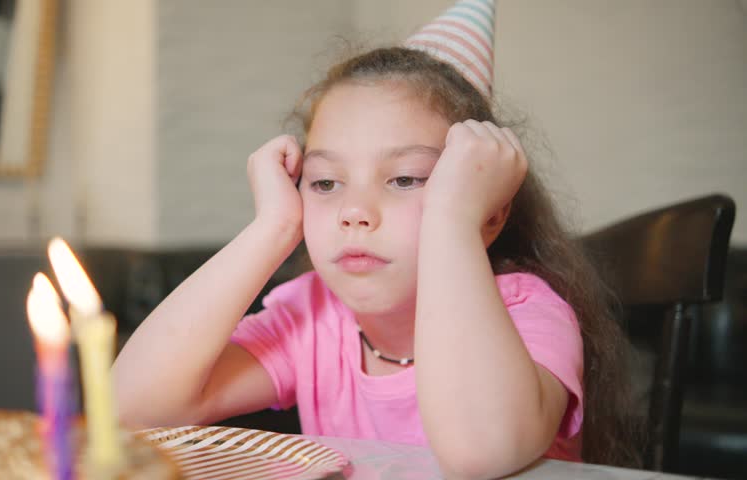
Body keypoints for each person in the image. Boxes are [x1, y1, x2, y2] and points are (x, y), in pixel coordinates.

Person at [113, 1, 639, 477]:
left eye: (406, 178)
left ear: (490, 213)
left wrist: (453, 223)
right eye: (324, 183)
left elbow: (482, 451)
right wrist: (271, 228)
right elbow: (133, 409)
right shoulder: (313, 318)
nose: (355, 212)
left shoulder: (527, 311)